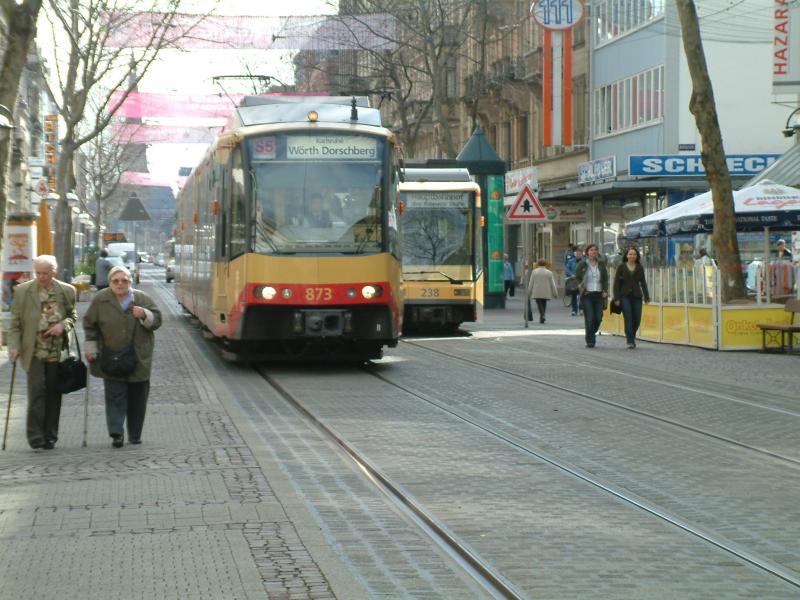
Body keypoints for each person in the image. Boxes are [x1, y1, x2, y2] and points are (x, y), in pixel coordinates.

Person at [83, 265, 162, 448]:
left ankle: (135, 434)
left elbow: (157, 320)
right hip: (111, 357)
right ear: (110, 283)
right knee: (114, 396)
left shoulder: (142, 298)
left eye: (124, 280)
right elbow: (89, 325)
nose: (120, 284)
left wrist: (144, 314)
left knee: (138, 397)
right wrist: (91, 348)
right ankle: (116, 433)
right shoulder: (101, 300)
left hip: (138, 357)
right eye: (115, 281)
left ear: (130, 282)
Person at [7, 255, 78, 450]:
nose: (41, 277)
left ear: (54, 272)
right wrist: (13, 346)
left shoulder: (66, 291)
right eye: (38, 273)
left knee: (54, 393)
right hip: (34, 350)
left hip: (57, 351)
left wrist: (63, 325)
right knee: (37, 390)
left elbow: (72, 315)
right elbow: (15, 324)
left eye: (45, 273)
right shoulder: (23, 291)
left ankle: (50, 436)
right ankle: (35, 436)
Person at [612, 246, 650, 349]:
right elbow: (616, 283)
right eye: (630, 254)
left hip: (637, 296)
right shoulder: (621, 267)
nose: (632, 256)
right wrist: (617, 298)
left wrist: (646, 296)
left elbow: (643, 283)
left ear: (637, 256)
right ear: (626, 256)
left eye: (634, 254)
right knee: (628, 318)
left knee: (637, 319)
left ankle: (631, 336)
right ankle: (630, 340)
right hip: (624, 296)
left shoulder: (639, 267)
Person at [574, 243, 609, 348]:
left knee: (598, 318)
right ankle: (590, 340)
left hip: (598, 294)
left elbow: (605, 278)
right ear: (587, 252)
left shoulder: (601, 264)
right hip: (587, 294)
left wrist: (605, 290)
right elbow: (577, 277)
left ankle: (591, 332)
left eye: (595, 250)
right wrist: (582, 288)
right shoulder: (582, 264)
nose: (593, 252)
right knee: (590, 318)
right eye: (591, 250)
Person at [527, 259, 558, 324]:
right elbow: (553, 284)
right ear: (545, 264)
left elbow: (531, 283)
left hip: (537, 291)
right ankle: (542, 316)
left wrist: (529, 293)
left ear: (538, 264)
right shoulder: (549, 272)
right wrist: (555, 294)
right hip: (546, 291)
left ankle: (542, 315)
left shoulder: (534, 272)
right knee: (544, 303)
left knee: (539, 303)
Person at [564, 247, 583, 316]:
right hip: (573, 280)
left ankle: (581, 309)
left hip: (581, 281)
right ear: (575, 254)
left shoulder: (584, 261)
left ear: (581, 254)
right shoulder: (571, 261)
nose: (578, 255)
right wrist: (571, 274)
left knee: (582, 295)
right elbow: (566, 269)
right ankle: (574, 310)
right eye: (577, 253)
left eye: (579, 254)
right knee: (574, 295)